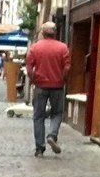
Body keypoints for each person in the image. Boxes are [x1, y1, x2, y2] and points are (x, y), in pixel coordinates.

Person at [26, 22, 71, 156]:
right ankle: (52, 135)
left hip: (40, 85)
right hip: (57, 86)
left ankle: (39, 148)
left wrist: (34, 79)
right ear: (55, 33)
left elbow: (29, 67)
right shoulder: (63, 48)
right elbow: (67, 67)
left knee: (38, 116)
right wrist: (62, 79)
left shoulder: (35, 48)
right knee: (57, 112)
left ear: (42, 33)